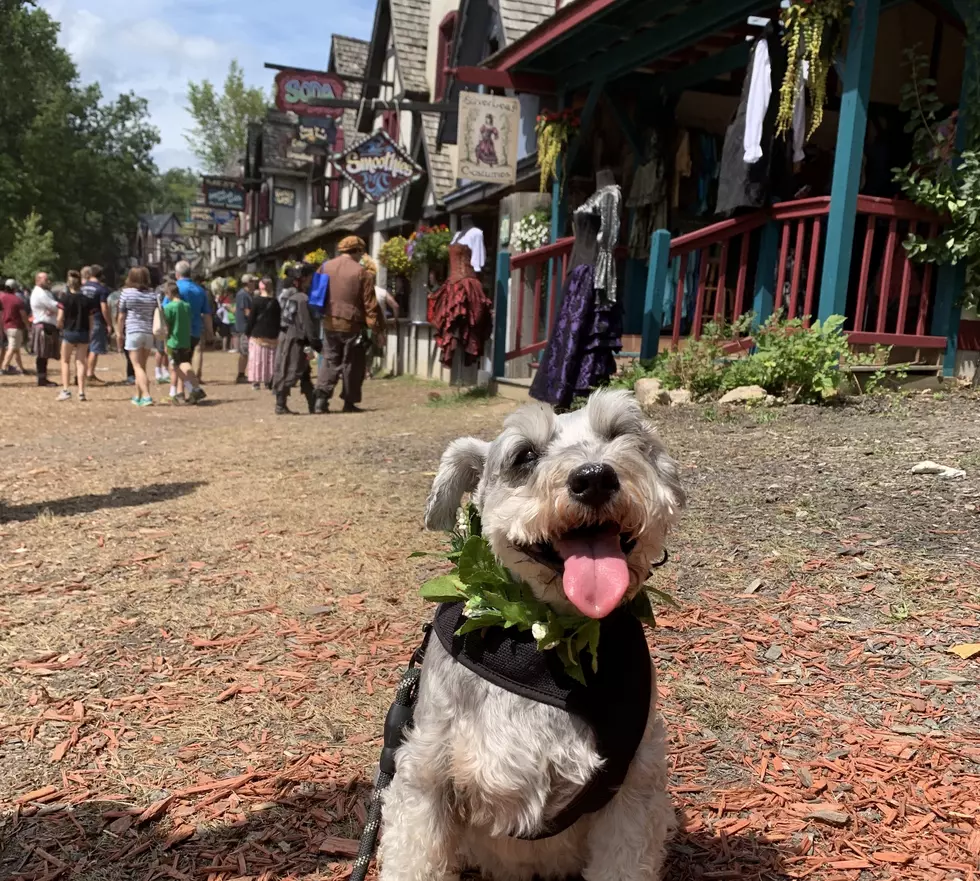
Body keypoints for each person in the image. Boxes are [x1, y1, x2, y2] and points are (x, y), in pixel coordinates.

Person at [314, 236, 381, 413]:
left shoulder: (325, 267)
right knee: (353, 363)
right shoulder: (361, 272)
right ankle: (349, 402)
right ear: (357, 250)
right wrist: (374, 326)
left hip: (329, 321)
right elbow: (370, 303)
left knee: (329, 359)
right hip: (352, 323)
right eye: (362, 252)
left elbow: (317, 295)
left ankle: (321, 400)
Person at [273, 264, 321, 415]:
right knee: (291, 370)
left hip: (288, 337)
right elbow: (307, 324)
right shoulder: (302, 299)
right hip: (295, 340)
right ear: (305, 279)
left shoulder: (291, 296)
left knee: (303, 371)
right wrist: (315, 342)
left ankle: (313, 405)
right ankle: (281, 405)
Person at [117, 266, 158, 407]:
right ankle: (138, 395)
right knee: (142, 366)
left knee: (136, 366)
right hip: (148, 332)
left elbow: (121, 315)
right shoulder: (153, 295)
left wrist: (118, 332)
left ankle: (146, 396)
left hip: (133, 331)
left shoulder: (127, 293)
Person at [162, 281, 206, 405]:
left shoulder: (168, 308)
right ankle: (195, 387)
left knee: (175, 366)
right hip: (185, 340)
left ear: (169, 293)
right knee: (185, 364)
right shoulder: (186, 306)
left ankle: (192, 389)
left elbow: (166, 328)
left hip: (173, 341)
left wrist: (165, 343)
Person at [56, 270, 95, 401]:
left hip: (69, 331)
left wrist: (59, 325)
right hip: (83, 331)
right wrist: (90, 332)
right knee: (80, 362)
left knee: (65, 360)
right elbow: (91, 320)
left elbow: (60, 317)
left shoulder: (64, 298)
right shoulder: (87, 300)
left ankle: (66, 389)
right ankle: (81, 392)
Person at [175, 261, 212, 383]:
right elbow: (206, 313)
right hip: (196, 326)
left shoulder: (175, 288)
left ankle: (182, 385)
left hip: (178, 328)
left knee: (180, 359)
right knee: (197, 350)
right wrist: (210, 331)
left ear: (177, 274)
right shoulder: (200, 290)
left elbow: (165, 309)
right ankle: (197, 375)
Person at [245, 276, 280, 391]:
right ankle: (268, 379)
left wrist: (247, 332)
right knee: (270, 359)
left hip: (258, 333)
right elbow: (278, 319)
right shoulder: (275, 302)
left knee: (257, 358)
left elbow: (251, 319)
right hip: (272, 334)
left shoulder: (256, 301)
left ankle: (256, 381)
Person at [80, 265, 112, 384]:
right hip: (97, 319)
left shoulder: (82, 287)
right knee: (95, 348)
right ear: (101, 275)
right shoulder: (101, 289)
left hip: (82, 320)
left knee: (84, 348)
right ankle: (90, 374)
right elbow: (104, 307)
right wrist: (109, 323)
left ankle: (81, 373)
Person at [30, 272, 60, 387]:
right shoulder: (40, 293)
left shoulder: (44, 292)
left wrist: (53, 308)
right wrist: (58, 307)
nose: (48, 281)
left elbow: (52, 306)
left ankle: (42, 378)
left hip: (46, 325)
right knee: (42, 354)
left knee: (44, 354)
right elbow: (54, 305)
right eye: (45, 279)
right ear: (38, 280)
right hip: (43, 326)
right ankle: (41, 379)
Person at [1, 279, 30, 375]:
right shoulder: (17, 300)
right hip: (15, 327)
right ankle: (4, 367)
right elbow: (23, 315)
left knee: (16, 349)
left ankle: (22, 368)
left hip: (5, 326)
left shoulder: (2, 298)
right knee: (12, 347)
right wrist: (28, 326)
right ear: (14, 288)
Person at [235, 274, 254, 383]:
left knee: (246, 351)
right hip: (244, 326)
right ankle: (241, 375)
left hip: (246, 326)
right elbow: (246, 311)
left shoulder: (247, 294)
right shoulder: (243, 295)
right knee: (244, 351)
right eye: (252, 281)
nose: (254, 284)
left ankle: (243, 374)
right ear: (248, 283)